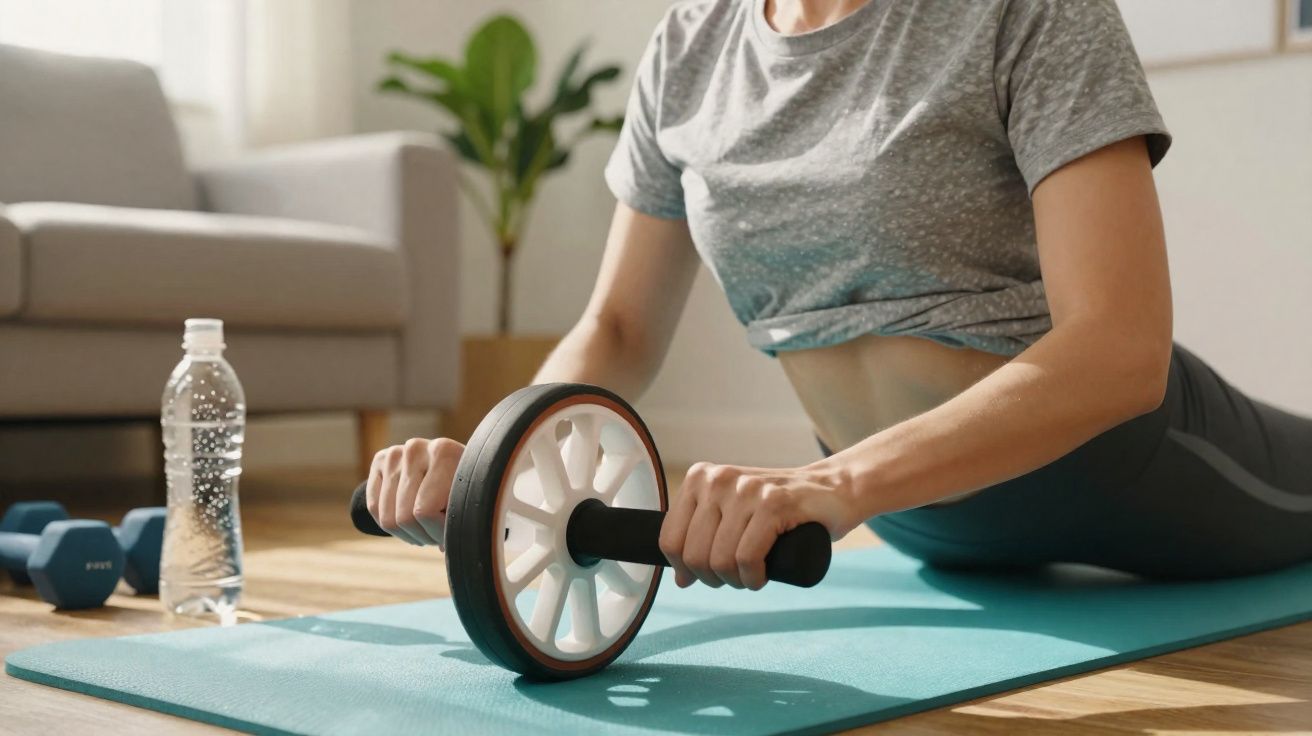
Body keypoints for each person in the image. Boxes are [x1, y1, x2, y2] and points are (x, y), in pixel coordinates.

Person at [366, 0, 1312, 589]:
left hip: (1123, 470)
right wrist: (501, 458)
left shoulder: (1027, 9)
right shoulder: (691, 47)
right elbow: (615, 328)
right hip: (916, 518)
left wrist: (833, 483)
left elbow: (1121, 348)